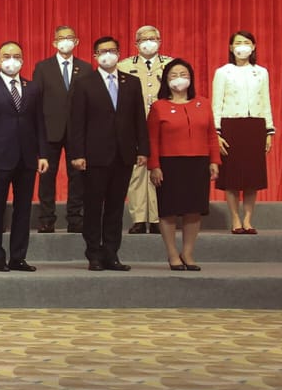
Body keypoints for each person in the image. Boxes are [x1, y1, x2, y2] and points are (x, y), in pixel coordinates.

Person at [67, 36, 149, 272]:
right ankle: (93, 253)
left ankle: (112, 253)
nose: (108, 55)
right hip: (94, 156)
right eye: (103, 51)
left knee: (115, 207)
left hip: (123, 154)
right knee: (93, 206)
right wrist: (77, 154)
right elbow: (76, 122)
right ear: (95, 56)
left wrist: (142, 149)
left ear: (119, 53)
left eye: (112, 50)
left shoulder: (131, 82)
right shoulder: (84, 82)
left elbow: (138, 120)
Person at [0, 41, 46, 273]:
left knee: (23, 209)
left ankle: (18, 257)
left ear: (23, 60)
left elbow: (40, 121)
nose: (12, 60)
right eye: (6, 56)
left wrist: (43, 153)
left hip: (27, 157)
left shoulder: (33, 87)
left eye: (16, 56)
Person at [149, 59, 216, 271]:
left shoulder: (203, 103)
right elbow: (152, 139)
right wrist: (154, 165)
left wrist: (214, 161)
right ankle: (172, 254)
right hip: (169, 164)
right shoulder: (159, 106)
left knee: (193, 210)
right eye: (173, 74)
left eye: (183, 73)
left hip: (198, 162)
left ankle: (187, 253)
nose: (179, 78)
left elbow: (212, 135)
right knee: (168, 211)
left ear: (191, 78)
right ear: (166, 80)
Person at [212, 31, 272, 234]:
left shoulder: (261, 72)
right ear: (230, 47)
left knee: (252, 179)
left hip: (255, 126)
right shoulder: (223, 72)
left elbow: (266, 102)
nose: (242, 46)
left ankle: (248, 219)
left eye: (246, 43)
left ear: (254, 46)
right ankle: (235, 219)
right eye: (238, 43)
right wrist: (216, 132)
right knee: (232, 178)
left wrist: (269, 130)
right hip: (231, 125)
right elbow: (216, 103)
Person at [34, 25, 90, 234]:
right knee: (47, 175)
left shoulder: (85, 68)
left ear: (76, 42)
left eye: (70, 37)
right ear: (54, 43)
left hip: (77, 130)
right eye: (61, 38)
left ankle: (75, 218)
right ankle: (46, 218)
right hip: (50, 129)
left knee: (78, 176)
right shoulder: (43, 67)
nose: (65, 41)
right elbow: (37, 100)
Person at [118, 25, 171, 234]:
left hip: (163, 124)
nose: (148, 42)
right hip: (134, 125)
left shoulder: (170, 64)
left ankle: (158, 217)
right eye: (143, 39)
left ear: (160, 41)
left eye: (153, 38)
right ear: (136, 43)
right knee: (137, 171)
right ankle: (139, 218)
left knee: (160, 169)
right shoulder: (123, 66)